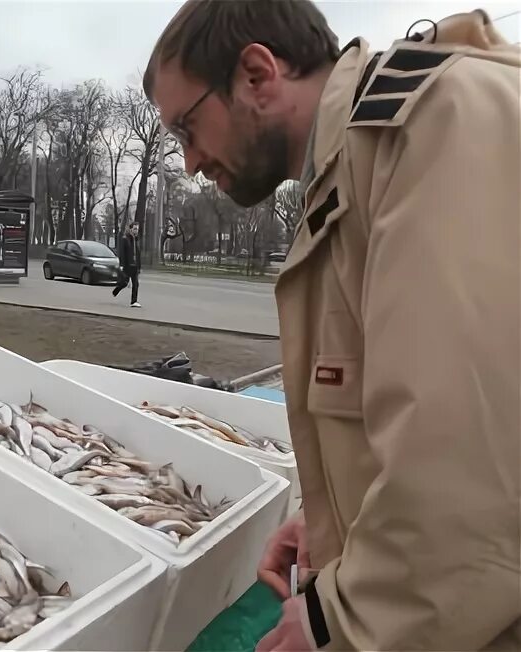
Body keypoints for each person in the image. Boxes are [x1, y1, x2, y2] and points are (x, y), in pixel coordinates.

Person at [144, 3, 518, 651]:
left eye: (188, 127)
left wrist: (339, 622)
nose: (190, 162)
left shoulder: (434, 125)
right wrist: (330, 522)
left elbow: (471, 460)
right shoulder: (354, 171)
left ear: (257, 74)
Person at [112, 222, 141, 307]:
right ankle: (116, 290)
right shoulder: (125, 239)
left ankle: (134, 301)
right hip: (128, 265)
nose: (136, 231)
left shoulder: (136, 239)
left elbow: (138, 254)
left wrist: (139, 267)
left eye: (137, 229)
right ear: (131, 229)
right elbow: (122, 253)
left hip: (135, 265)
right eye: (135, 229)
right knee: (125, 282)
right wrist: (122, 265)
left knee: (136, 284)